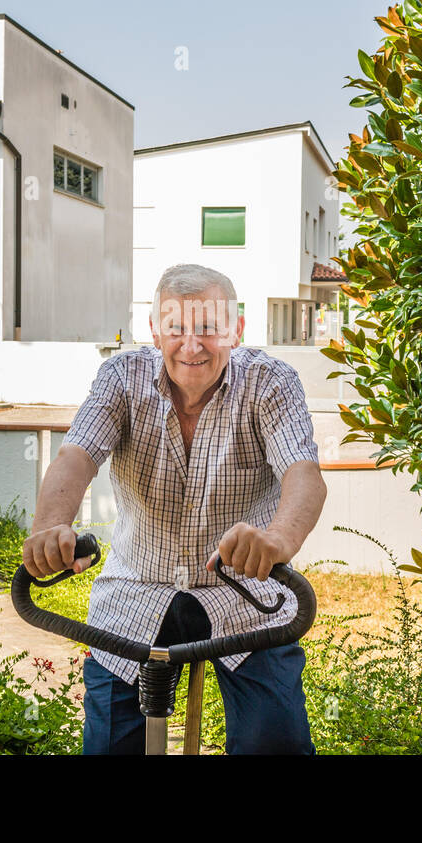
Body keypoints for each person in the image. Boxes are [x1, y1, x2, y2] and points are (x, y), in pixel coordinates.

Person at [22, 262, 327, 754]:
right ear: (154, 330)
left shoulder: (272, 382)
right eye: (177, 328)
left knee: (274, 742)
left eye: (209, 327)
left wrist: (277, 540)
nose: (192, 345)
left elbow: (304, 475)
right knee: (111, 748)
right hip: (137, 589)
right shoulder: (122, 377)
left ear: (236, 329)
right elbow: (75, 456)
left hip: (246, 594)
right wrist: (50, 527)